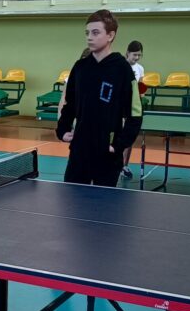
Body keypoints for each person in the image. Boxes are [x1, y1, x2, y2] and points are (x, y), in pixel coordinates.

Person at [56, 10, 142, 186]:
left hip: (108, 155)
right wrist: (63, 129)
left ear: (110, 35)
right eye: (87, 33)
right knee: (71, 200)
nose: (89, 37)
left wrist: (118, 145)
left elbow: (135, 113)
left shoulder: (122, 69)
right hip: (79, 153)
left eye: (95, 33)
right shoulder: (80, 67)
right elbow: (70, 104)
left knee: (104, 202)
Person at [121, 40, 145, 179]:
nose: (136, 57)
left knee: (129, 138)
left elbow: (141, 89)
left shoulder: (140, 68)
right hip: (120, 107)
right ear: (128, 53)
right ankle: (114, 163)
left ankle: (124, 165)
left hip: (133, 108)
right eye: (134, 54)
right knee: (117, 137)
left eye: (139, 55)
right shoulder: (120, 66)